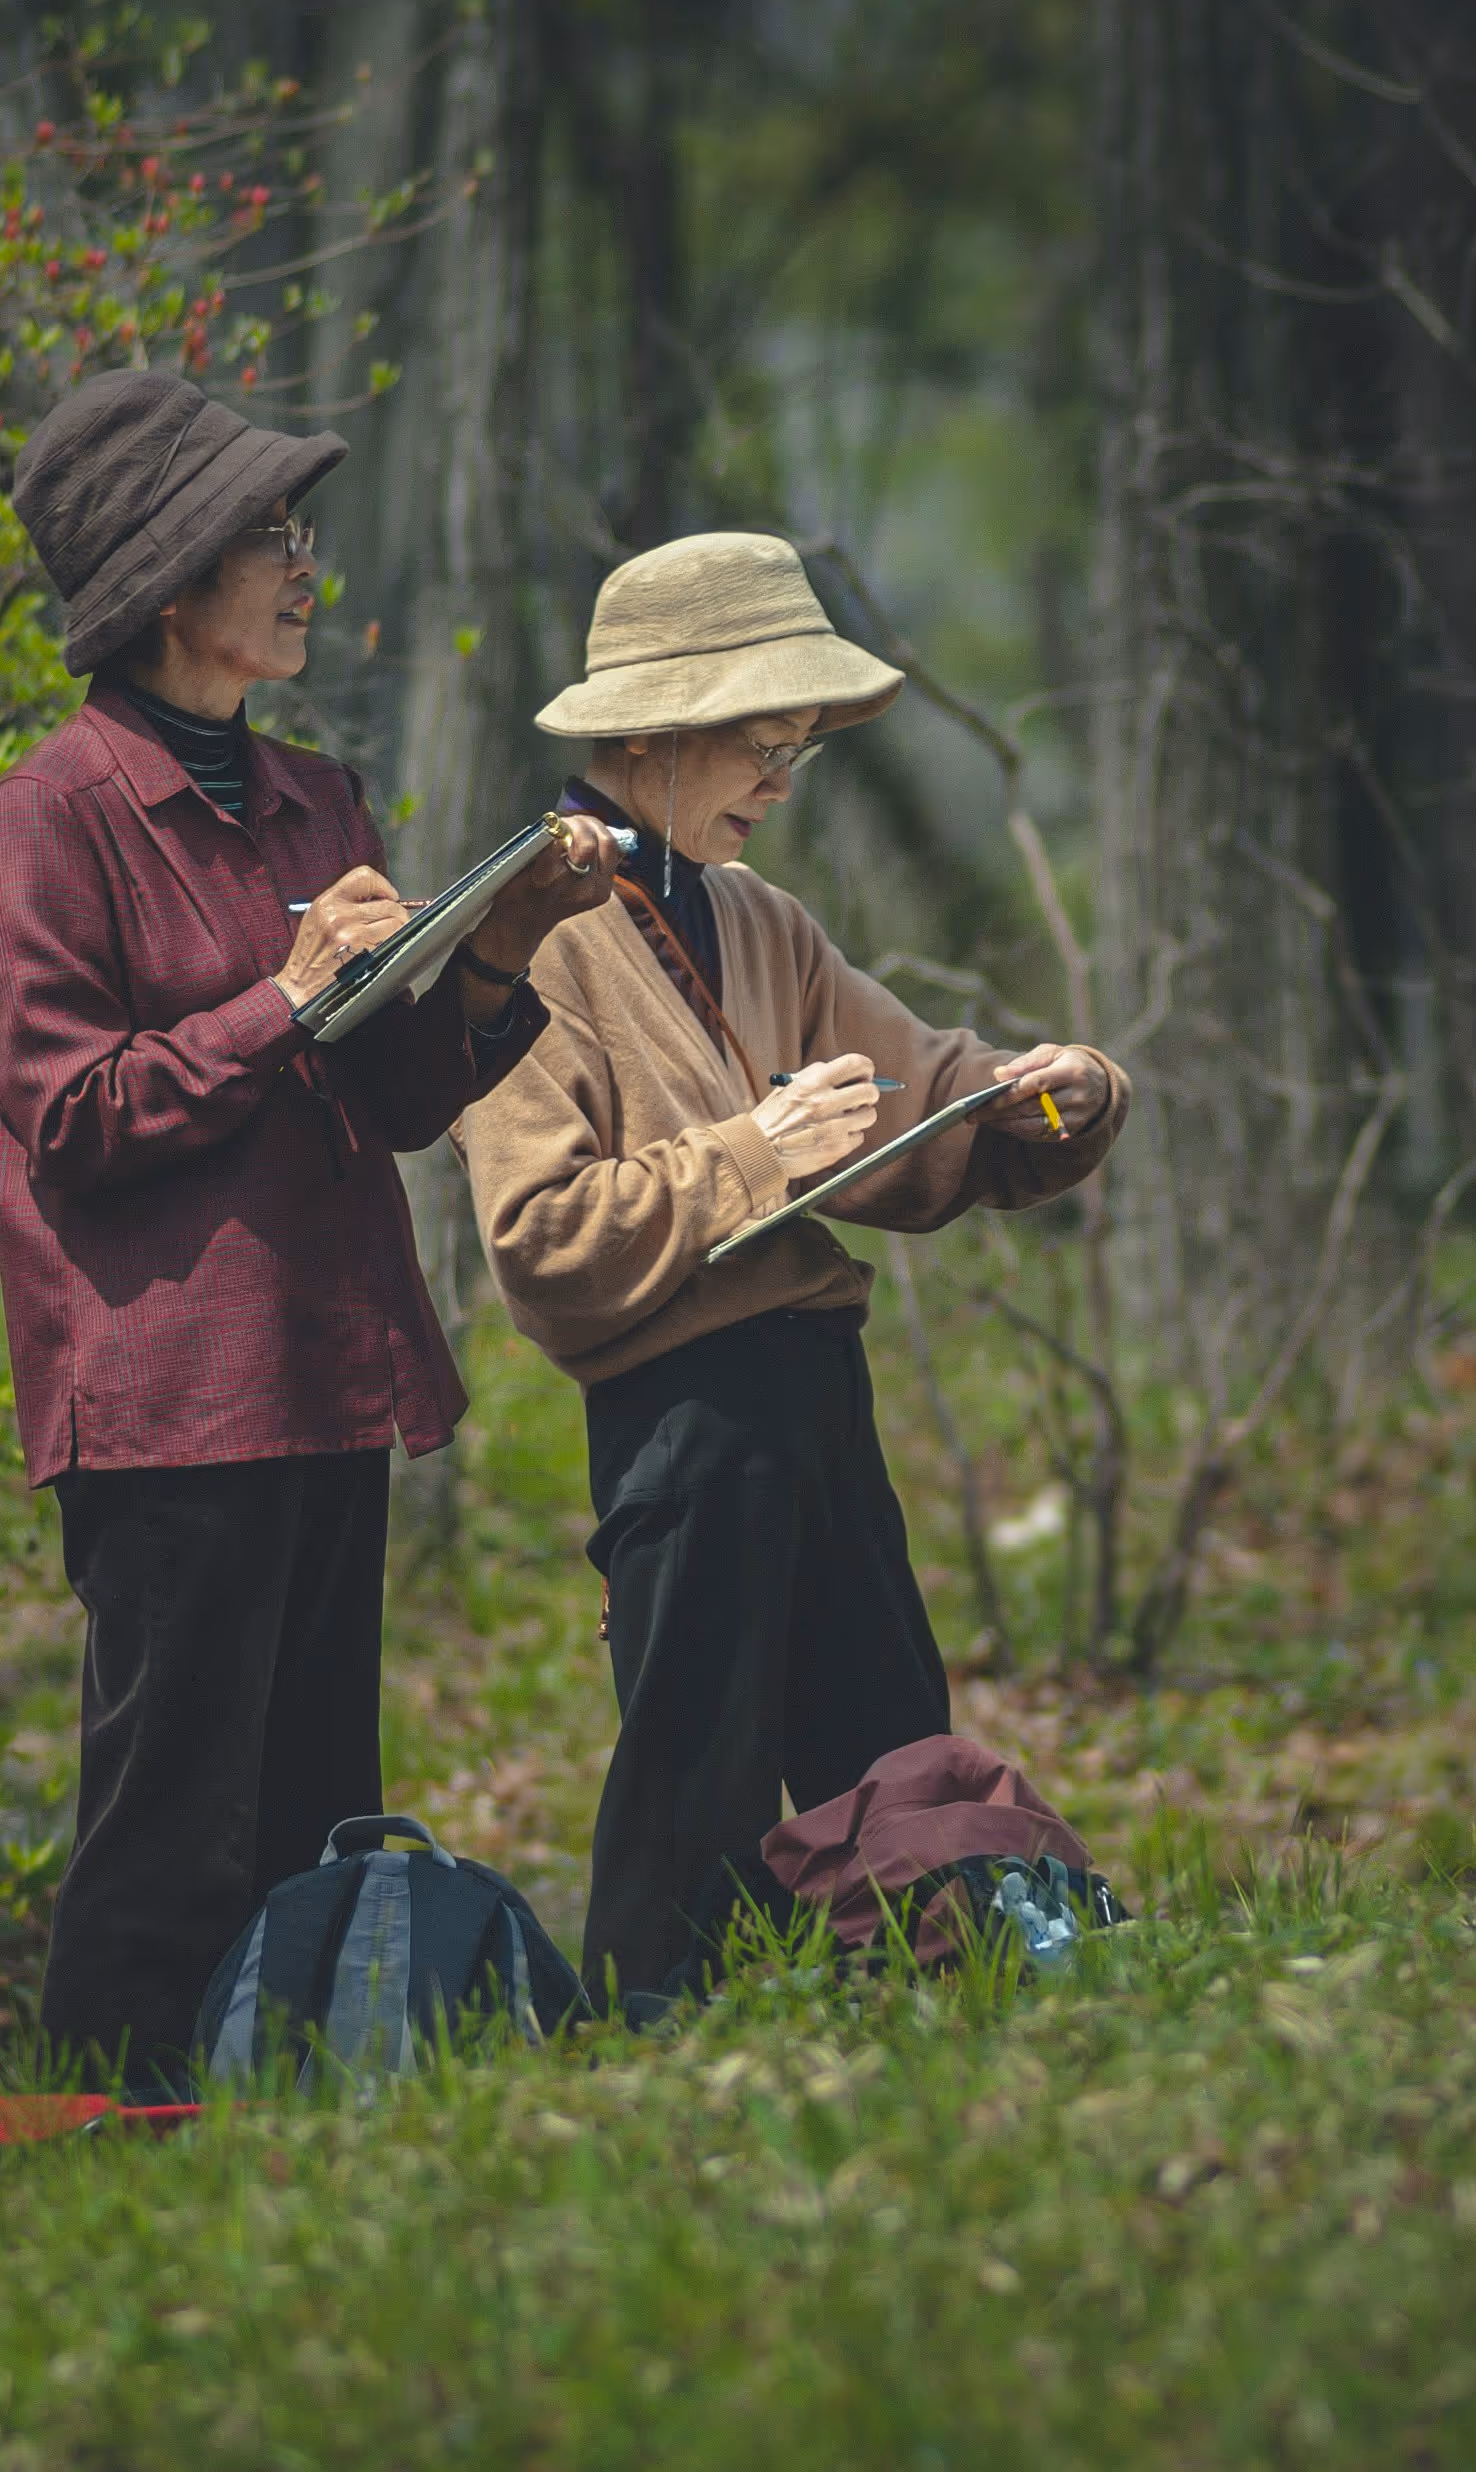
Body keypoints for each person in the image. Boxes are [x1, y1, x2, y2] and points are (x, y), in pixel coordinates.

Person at [0, 368, 621, 2092]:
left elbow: (393, 1100)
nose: (307, 563)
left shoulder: (319, 800)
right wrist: (286, 994)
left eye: (299, 529)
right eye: (272, 536)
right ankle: (110, 2148)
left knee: (320, 1811)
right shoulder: (43, 822)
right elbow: (71, 1119)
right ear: (174, 585)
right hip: (168, 1404)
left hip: (330, 1375)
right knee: (169, 1820)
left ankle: (283, 2148)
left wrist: (502, 944)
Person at [452, 532, 1125, 2009]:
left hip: (815, 1388)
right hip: (681, 1422)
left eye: (800, 746)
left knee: (889, 1737)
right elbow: (544, 1248)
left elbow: (915, 1093)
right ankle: (647, 2058)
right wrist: (756, 1155)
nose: (781, 777)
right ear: (657, 729)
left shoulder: (757, 915)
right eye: (762, 741)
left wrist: (1035, 1096)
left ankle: (914, 2008)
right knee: (691, 1779)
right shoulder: (523, 941)